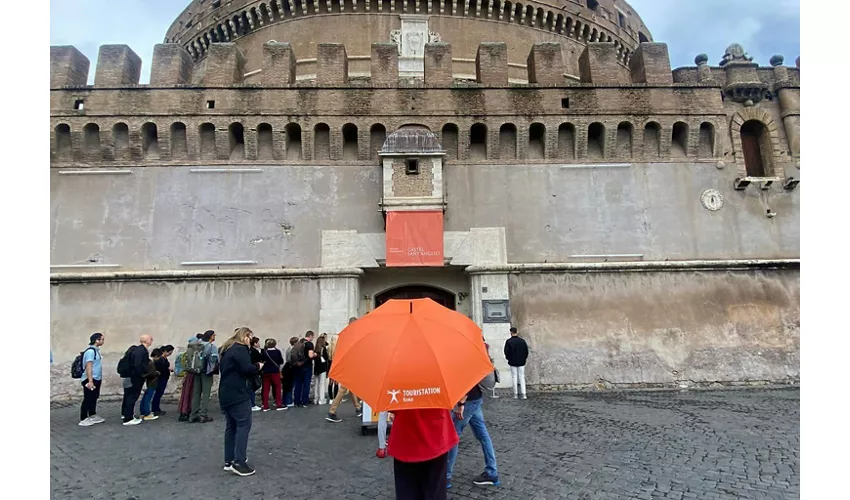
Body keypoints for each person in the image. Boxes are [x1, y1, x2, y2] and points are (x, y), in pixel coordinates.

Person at [388, 408, 459, 500]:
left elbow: (391, 406)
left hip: (406, 441)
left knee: (407, 492)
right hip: (436, 438)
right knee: (434, 492)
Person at [218, 326, 259, 476]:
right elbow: (247, 368)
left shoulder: (226, 349)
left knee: (231, 426)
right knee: (243, 425)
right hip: (237, 393)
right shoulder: (240, 349)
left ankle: (229, 460)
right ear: (245, 336)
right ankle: (239, 461)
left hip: (225, 392)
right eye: (251, 338)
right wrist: (257, 366)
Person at [445, 382, 500, 489]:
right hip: (476, 398)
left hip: (467, 402)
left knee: (452, 435)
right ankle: (492, 472)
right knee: (483, 436)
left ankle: (445, 476)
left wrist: (461, 403)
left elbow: (466, 382)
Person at [122, 334, 153, 426]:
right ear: (146, 341)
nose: (152, 340)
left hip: (135, 376)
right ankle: (128, 418)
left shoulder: (139, 350)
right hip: (136, 377)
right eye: (151, 339)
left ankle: (127, 415)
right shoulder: (141, 351)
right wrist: (142, 374)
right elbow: (138, 365)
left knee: (130, 396)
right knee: (132, 397)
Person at [191, 330, 218, 423]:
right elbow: (215, 359)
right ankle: (203, 414)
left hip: (196, 371)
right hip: (207, 371)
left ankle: (193, 415)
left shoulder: (197, 344)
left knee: (196, 393)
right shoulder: (211, 346)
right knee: (206, 394)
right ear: (211, 336)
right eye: (214, 335)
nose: (215, 336)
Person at [79, 333, 105, 426]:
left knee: (94, 397)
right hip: (90, 378)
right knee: (88, 398)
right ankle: (83, 418)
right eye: (101, 339)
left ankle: (92, 415)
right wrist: (90, 381)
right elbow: (88, 366)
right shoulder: (90, 352)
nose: (103, 341)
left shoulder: (96, 350)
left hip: (96, 378)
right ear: (96, 340)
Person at [178, 334, 202, 422]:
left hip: (189, 374)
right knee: (189, 393)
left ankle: (185, 411)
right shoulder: (193, 351)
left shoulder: (189, 351)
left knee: (187, 393)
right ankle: (186, 411)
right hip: (192, 375)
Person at [292, 331, 316, 407]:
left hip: (297, 366)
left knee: (298, 385)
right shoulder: (309, 344)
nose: (313, 338)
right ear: (310, 336)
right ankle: (304, 401)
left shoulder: (299, 343)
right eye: (313, 336)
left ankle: (296, 401)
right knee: (306, 385)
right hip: (306, 366)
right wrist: (315, 354)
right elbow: (310, 355)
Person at [503, 326, 529, 399]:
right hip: (521, 361)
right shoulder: (522, 341)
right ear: (517, 332)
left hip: (512, 361)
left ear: (511, 332)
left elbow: (506, 352)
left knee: (514, 377)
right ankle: (524, 394)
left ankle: (515, 393)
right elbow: (526, 351)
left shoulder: (509, 341)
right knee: (522, 377)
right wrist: (524, 359)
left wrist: (508, 359)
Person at [261, 338, 286, 411]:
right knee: (278, 387)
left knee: (266, 389)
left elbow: (262, 361)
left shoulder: (264, 352)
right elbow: (281, 361)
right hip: (275, 371)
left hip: (266, 372)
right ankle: (279, 404)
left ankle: (265, 405)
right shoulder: (277, 352)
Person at [140, 349, 162, 421]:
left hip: (149, 383)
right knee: (148, 399)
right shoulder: (151, 363)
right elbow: (151, 374)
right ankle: (147, 413)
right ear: (156, 356)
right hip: (151, 383)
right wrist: (157, 373)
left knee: (145, 398)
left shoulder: (148, 362)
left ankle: (143, 413)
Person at [151, 345, 174, 416]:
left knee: (158, 394)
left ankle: (156, 408)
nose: (170, 354)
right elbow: (161, 368)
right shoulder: (160, 359)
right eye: (169, 353)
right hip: (161, 378)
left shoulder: (163, 358)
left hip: (163, 377)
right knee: (158, 394)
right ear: (165, 351)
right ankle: (155, 409)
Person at [313, 333, 330, 404]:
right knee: (322, 383)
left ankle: (315, 398)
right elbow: (326, 357)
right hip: (322, 367)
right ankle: (321, 399)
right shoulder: (323, 349)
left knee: (316, 383)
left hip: (316, 367)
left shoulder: (316, 349)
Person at [282, 336, 298, 408]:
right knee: (290, 385)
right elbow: (291, 359)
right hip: (291, 368)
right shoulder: (293, 350)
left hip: (287, 367)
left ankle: (285, 400)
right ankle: (288, 401)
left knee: (287, 386)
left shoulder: (288, 349)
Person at [249, 336, 263, 411]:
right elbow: (259, 359)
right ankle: (252, 404)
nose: (259, 344)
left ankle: (251, 403)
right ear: (255, 343)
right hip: (254, 370)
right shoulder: (254, 351)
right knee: (252, 387)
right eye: (258, 342)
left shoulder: (249, 350)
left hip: (252, 370)